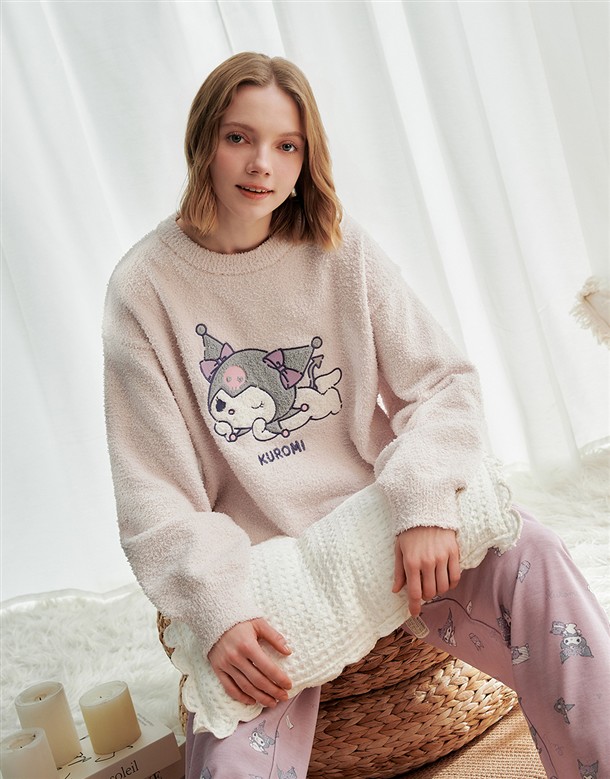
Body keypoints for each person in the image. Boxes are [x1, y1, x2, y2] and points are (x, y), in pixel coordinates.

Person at [103, 52, 610, 779]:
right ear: (203, 140)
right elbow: (153, 494)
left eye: (287, 145)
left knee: (537, 555)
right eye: (239, 137)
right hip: (258, 570)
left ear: (307, 157)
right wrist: (217, 609)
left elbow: (442, 381)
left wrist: (423, 501)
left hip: (378, 523)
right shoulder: (143, 289)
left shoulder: (339, 248)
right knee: (229, 755)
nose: (262, 164)